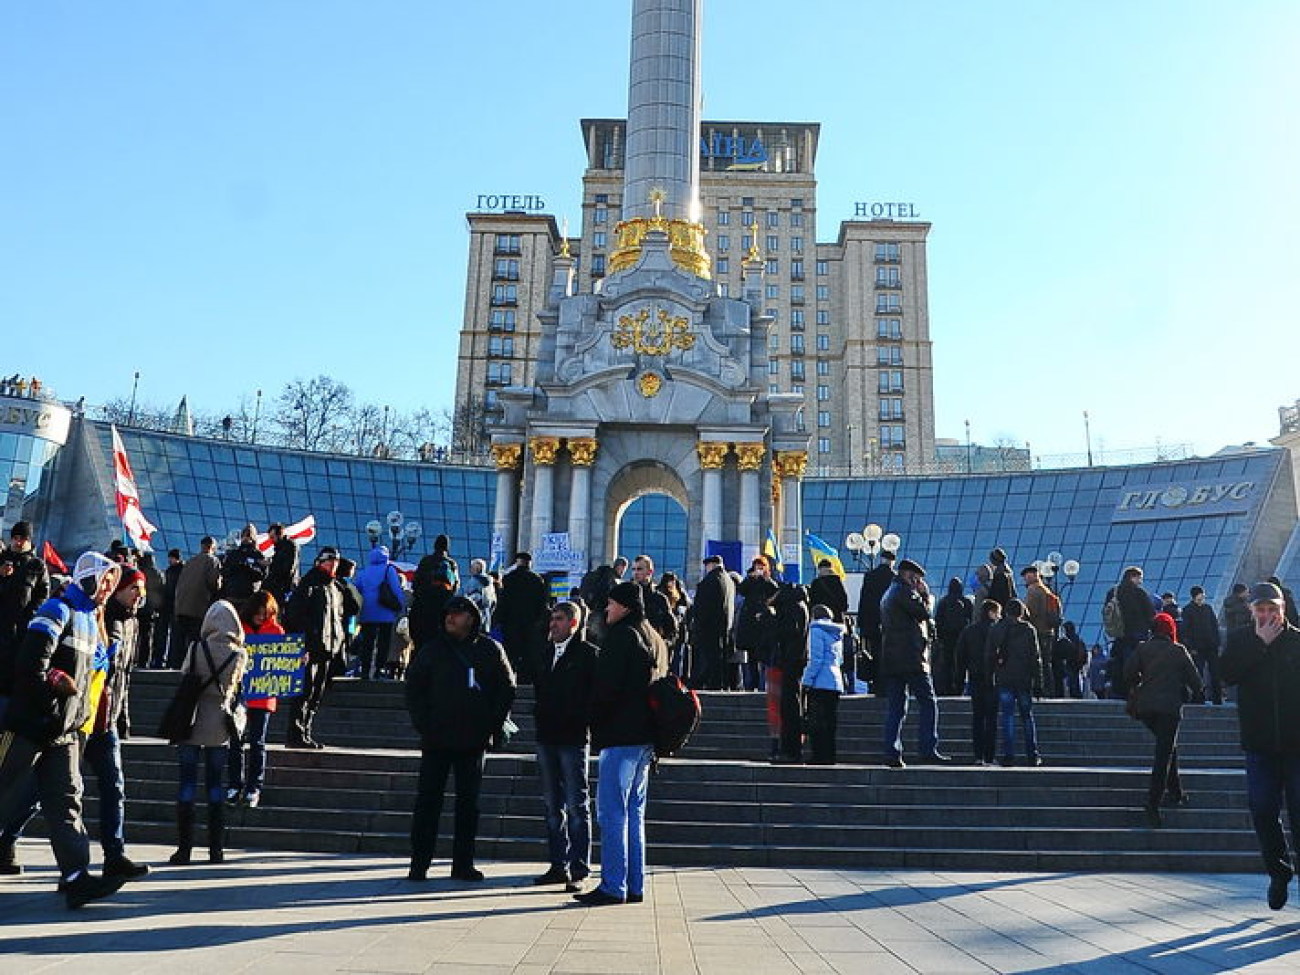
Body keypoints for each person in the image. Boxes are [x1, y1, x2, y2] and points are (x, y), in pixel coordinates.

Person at [0, 552, 130, 907]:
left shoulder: (91, 618)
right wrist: (51, 706)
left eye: (112, 582)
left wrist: (71, 720)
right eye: (105, 580)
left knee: (66, 799)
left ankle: (76, 878)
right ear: (88, 577)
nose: (109, 588)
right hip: (30, 726)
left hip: (63, 732)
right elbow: (30, 665)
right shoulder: (56, 610)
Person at [405, 595, 515, 883]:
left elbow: (506, 687)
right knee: (428, 802)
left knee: (469, 804)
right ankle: (419, 863)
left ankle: (463, 863)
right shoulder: (432, 650)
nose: (449, 618)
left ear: (472, 617)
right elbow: (414, 688)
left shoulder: (489, 649)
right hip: (436, 738)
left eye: (456, 613)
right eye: (447, 614)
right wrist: (424, 724)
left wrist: (491, 724)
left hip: (473, 739)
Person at [573, 581, 666, 906]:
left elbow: (606, 688)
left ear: (624, 606)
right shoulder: (654, 637)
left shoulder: (622, 636)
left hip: (621, 735)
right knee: (633, 813)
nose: (606, 610)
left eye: (610, 604)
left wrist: (592, 720)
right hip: (645, 739)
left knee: (612, 813)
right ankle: (633, 884)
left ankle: (613, 884)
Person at [1220, 582, 1300, 910]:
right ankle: (1279, 871)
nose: (1267, 616)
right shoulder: (1241, 640)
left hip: (1297, 745)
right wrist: (1259, 645)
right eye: (1260, 610)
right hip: (1260, 744)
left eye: (1272, 610)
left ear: (1282, 610)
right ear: (1251, 610)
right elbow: (1226, 675)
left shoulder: (1297, 640)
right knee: (1262, 808)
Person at [84, 566, 151, 878]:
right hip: (83, 718)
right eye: (133, 588)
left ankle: (115, 853)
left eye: (141, 589)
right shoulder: (101, 616)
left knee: (114, 786)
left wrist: (120, 715)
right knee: (45, 791)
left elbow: (123, 676)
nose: (139, 595)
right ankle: (8, 838)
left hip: (107, 720)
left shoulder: (132, 622)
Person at [168, 599, 247, 866]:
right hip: (219, 725)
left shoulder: (197, 647)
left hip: (192, 720)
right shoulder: (239, 654)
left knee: (187, 784)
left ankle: (184, 849)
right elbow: (235, 689)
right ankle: (216, 850)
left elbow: (185, 674)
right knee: (215, 786)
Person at [530, 600, 597, 891]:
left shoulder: (588, 655)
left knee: (575, 803)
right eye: (551, 619)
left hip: (571, 737)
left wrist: (579, 719)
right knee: (551, 804)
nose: (552, 624)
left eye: (558, 619)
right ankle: (558, 863)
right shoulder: (545, 653)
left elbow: (591, 697)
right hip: (547, 735)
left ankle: (578, 865)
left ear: (573, 623)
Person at [1124, 612, 1203, 828]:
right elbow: (1196, 681)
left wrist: (1141, 681)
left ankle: (1176, 792)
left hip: (1147, 709)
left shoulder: (1143, 648)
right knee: (1163, 755)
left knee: (1168, 747)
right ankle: (1152, 804)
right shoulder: (1178, 651)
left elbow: (1128, 673)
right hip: (1169, 709)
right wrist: (1192, 692)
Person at [879, 558, 947, 768]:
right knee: (928, 702)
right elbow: (923, 613)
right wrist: (926, 596)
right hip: (911, 658)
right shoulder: (904, 592)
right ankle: (927, 747)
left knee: (897, 707)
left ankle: (892, 750)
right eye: (916, 578)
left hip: (892, 659)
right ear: (909, 575)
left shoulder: (889, 593)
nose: (918, 582)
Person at [284, 547, 347, 749]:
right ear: (319, 562)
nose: (334, 564)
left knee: (317, 693)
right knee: (305, 691)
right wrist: (304, 642)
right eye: (330, 561)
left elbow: (343, 614)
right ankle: (296, 733)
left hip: (327, 648)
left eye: (336, 561)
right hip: (310, 648)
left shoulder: (335, 588)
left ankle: (305, 731)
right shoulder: (309, 583)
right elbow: (294, 615)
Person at [227, 591, 285, 808]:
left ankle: (254, 787)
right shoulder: (240, 629)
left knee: (257, 741)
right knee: (236, 740)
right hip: (241, 693)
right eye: (258, 613)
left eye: (265, 613)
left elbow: (283, 662)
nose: (261, 617)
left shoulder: (277, 630)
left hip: (263, 694)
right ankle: (236, 784)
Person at [0, 521, 50, 712]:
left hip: (21, 633)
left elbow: (42, 597)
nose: (18, 542)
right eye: (16, 538)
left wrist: (27, 619)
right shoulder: (2, 560)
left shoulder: (37, 566)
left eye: (23, 539)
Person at [989, 599, 1044, 768]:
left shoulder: (997, 628)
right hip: (1024, 679)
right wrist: (1038, 682)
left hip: (1004, 678)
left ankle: (1008, 755)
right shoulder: (1028, 630)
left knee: (1007, 717)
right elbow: (1036, 658)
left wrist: (991, 675)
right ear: (1021, 612)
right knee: (1027, 717)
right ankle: (1032, 755)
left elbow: (989, 654)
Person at [956, 599, 1002, 765]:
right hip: (993, 679)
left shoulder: (969, 631)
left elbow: (960, 656)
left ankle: (978, 755)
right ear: (991, 612)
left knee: (977, 717)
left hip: (975, 678)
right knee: (991, 719)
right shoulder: (997, 630)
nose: (999, 616)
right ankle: (990, 755)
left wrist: (959, 680)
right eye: (997, 613)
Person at [770, 583, 810, 763]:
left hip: (790, 661)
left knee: (789, 706)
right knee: (792, 704)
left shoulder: (790, 608)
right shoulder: (801, 606)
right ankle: (792, 748)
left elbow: (787, 632)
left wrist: (771, 622)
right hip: (797, 661)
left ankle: (790, 749)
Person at [354, 545, 406, 680]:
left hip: (367, 612)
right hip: (386, 613)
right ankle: (379, 669)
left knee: (367, 642)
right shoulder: (389, 570)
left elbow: (356, 590)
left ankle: (365, 670)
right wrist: (400, 606)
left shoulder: (364, 572)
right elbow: (396, 589)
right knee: (384, 643)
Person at [495, 552, 549, 682]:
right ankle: (525, 678)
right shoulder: (537, 579)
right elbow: (543, 602)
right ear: (529, 563)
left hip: (510, 622)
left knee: (510, 651)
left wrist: (499, 619)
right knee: (527, 652)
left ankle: (509, 676)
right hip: (530, 622)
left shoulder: (508, 578)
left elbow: (502, 601)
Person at [801, 604, 844, 765]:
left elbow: (816, 659)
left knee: (817, 722)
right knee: (830, 722)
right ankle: (830, 755)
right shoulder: (837, 633)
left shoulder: (816, 631)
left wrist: (807, 680)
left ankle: (818, 755)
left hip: (820, 682)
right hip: (835, 682)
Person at [170, 537, 222, 668]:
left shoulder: (190, 561)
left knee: (179, 641)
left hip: (182, 607)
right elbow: (213, 583)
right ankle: (191, 667)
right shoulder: (213, 561)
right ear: (212, 547)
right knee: (195, 641)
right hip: (198, 608)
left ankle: (176, 667)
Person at [690, 555, 734, 691]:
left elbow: (701, 607)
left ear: (711, 565)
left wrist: (696, 624)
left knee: (708, 659)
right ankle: (718, 684)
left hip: (708, 627)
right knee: (719, 659)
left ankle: (703, 684)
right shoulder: (729, 580)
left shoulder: (710, 581)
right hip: (724, 626)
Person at [408, 533, 461, 647]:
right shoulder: (451, 563)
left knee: (420, 643)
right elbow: (456, 586)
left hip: (423, 607)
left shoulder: (426, 561)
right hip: (442, 608)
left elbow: (415, 583)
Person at [856, 549, 896, 694]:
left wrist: (861, 624)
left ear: (881, 559)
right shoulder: (894, 578)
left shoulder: (870, 576)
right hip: (890, 625)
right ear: (893, 561)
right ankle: (885, 683)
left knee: (873, 652)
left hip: (871, 624)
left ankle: (875, 683)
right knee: (887, 654)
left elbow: (864, 600)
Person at [1112, 566, 1154, 699]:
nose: (1140, 581)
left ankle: (1122, 690)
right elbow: (1151, 613)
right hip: (1138, 634)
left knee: (1122, 661)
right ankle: (1136, 689)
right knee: (1139, 663)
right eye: (1139, 578)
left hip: (1119, 633)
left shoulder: (1114, 592)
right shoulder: (1139, 593)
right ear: (1133, 577)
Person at [808, 559, 851, 689]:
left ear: (820, 569)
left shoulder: (816, 584)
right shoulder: (837, 582)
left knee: (820, 653)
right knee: (837, 654)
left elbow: (811, 604)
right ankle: (843, 680)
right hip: (837, 624)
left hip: (820, 624)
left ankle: (820, 681)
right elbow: (845, 604)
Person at [1020, 565, 1058, 698]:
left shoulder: (1033, 590)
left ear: (1032, 576)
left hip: (1038, 631)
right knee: (1047, 662)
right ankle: (1050, 689)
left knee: (1037, 661)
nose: (1025, 579)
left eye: (1026, 576)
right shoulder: (1047, 590)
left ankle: (1040, 688)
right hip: (1049, 631)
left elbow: (1029, 612)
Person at [1182, 586, 1222, 705]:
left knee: (1215, 673)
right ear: (1194, 597)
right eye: (1200, 597)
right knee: (1197, 673)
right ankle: (1198, 697)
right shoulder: (1188, 610)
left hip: (1211, 646)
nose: (1202, 598)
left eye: (1203, 596)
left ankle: (1217, 698)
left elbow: (1215, 626)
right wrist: (1191, 647)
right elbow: (1185, 630)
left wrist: (1217, 643)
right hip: (1197, 647)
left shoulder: (1208, 609)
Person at [933, 577, 973, 697]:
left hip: (946, 638)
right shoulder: (966, 602)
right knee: (961, 664)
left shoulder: (943, 602)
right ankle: (959, 688)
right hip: (962, 638)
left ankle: (946, 687)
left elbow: (938, 621)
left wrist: (939, 637)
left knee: (947, 663)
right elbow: (971, 620)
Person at [219, 524, 268, 610]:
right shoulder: (234, 553)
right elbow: (224, 571)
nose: (246, 538)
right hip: (232, 594)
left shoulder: (257, 555)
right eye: (244, 535)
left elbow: (261, 575)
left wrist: (247, 566)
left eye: (248, 535)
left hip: (248, 596)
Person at [632, 555, 678, 647]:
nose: (635, 573)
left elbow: (671, 628)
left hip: (651, 649)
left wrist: (664, 645)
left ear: (650, 572)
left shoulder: (660, 599)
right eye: (633, 569)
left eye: (639, 569)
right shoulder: (627, 595)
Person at [151, 548, 184, 667]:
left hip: (174, 606)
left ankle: (169, 660)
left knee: (172, 635)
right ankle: (162, 659)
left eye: (171, 558)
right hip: (167, 606)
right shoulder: (171, 571)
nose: (169, 560)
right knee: (164, 633)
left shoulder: (180, 571)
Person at [657, 572, 691, 677]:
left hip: (669, 631)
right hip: (674, 630)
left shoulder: (663, 594)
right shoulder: (680, 595)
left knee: (673, 658)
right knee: (676, 658)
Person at [264, 523, 300, 603]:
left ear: (279, 535)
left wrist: (271, 565)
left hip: (284, 588)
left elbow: (288, 569)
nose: (271, 540)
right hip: (280, 587)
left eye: (272, 537)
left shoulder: (289, 546)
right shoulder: (279, 548)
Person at [462, 558, 498, 635]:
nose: (470, 569)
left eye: (472, 567)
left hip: (473, 618)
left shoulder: (474, 581)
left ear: (477, 569)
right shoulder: (490, 584)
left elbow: (471, 598)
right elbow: (494, 602)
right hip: (486, 617)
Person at [1054, 621, 1087, 699]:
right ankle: (1077, 694)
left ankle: (1074, 694)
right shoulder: (1078, 639)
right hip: (1077, 663)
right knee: (1075, 680)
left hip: (1071, 663)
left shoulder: (1069, 639)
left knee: (1072, 680)